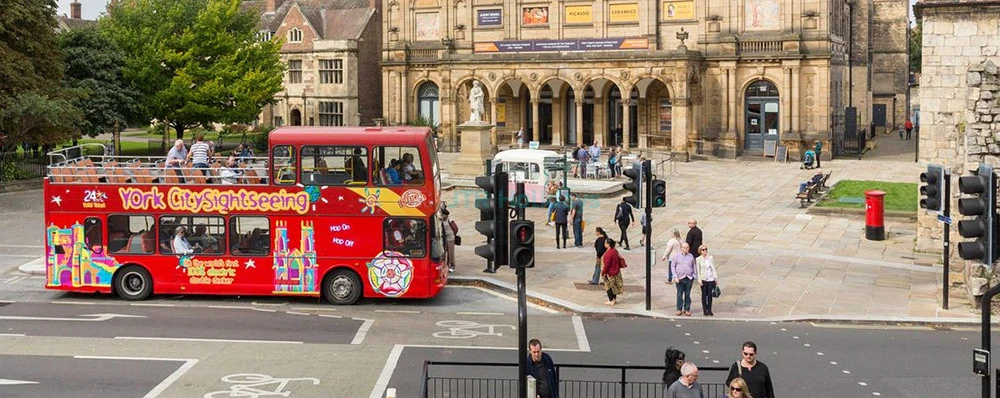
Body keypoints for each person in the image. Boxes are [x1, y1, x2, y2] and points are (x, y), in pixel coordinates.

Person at [670, 242, 696, 316]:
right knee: (679, 294)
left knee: (687, 294)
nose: (686, 249)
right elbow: (672, 266)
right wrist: (675, 277)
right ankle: (679, 309)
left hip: (689, 277)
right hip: (680, 278)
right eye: (684, 248)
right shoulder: (676, 256)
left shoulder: (691, 256)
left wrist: (694, 275)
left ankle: (687, 309)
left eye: (687, 248)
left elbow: (693, 266)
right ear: (681, 248)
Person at [696, 244, 718, 316]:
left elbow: (713, 268)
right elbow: (698, 270)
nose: (705, 251)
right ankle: (705, 309)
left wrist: (715, 277)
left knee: (710, 295)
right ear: (700, 251)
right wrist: (699, 279)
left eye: (706, 249)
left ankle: (709, 309)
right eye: (703, 249)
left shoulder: (710, 258)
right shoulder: (698, 259)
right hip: (703, 278)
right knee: (704, 295)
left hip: (710, 278)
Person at [601, 238, 623, 306]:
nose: (604, 244)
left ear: (608, 244)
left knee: (608, 286)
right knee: (614, 286)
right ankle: (614, 299)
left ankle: (611, 300)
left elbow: (607, 265)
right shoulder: (615, 251)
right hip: (616, 271)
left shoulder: (609, 254)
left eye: (605, 243)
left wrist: (603, 272)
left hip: (609, 272)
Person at [441, 208, 456, 272]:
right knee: (443, 252)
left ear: (446, 215)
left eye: (443, 215)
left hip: (450, 238)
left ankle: (452, 266)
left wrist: (453, 235)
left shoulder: (450, 220)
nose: (442, 216)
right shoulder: (441, 220)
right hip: (444, 238)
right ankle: (445, 265)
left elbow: (456, 228)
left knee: (451, 253)